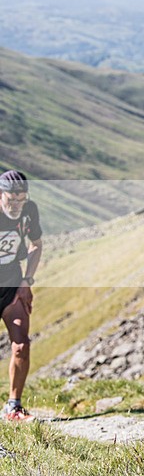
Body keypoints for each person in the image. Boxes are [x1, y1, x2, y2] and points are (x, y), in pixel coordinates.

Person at [0, 170, 42, 422]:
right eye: (11, 199)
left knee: (21, 345)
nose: (16, 205)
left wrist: (27, 281)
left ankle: (13, 407)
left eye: (21, 198)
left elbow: (36, 244)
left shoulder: (29, 210)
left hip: (12, 286)